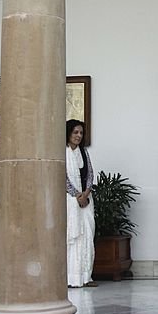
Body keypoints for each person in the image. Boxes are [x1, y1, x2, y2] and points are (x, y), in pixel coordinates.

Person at [66, 119, 98, 288]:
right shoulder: (61, 152)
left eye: (80, 133)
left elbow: (90, 174)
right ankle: (71, 278)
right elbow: (61, 177)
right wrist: (77, 195)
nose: (78, 136)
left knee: (86, 235)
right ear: (68, 133)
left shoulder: (84, 152)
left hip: (86, 201)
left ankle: (86, 277)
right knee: (72, 236)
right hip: (69, 201)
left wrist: (86, 194)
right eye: (75, 132)